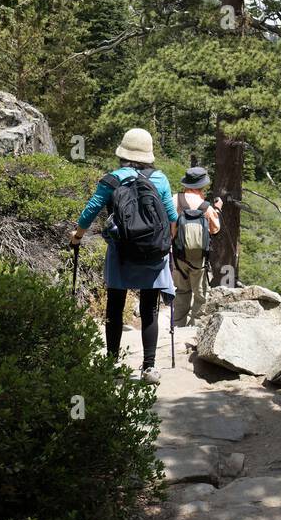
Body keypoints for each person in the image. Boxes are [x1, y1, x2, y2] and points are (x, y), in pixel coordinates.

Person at [69, 128, 177, 384]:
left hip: (121, 251)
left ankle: (111, 364)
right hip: (153, 252)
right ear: (148, 154)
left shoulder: (112, 179)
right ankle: (149, 368)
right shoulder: (160, 179)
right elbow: (172, 217)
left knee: (115, 307)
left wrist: (78, 235)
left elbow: (91, 210)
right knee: (149, 307)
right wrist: (164, 244)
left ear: (123, 153)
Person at [171, 166, 222, 326]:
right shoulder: (206, 206)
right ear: (202, 186)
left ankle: (178, 325)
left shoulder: (174, 200)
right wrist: (217, 210)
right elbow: (215, 229)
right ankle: (194, 327)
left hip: (177, 255)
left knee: (181, 291)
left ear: (186, 183)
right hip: (199, 257)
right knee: (200, 294)